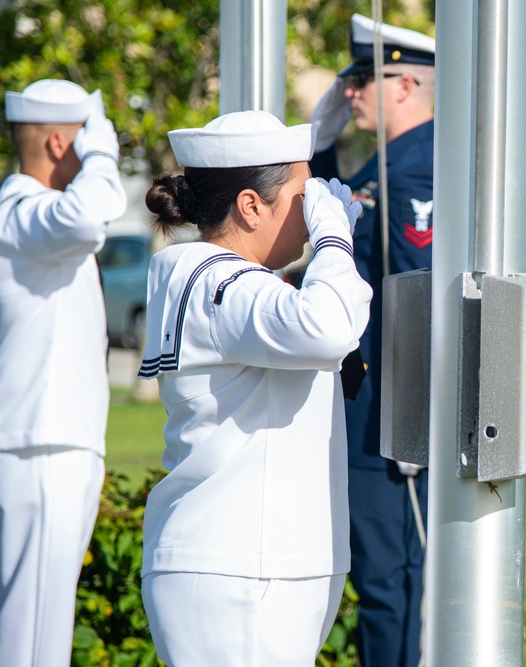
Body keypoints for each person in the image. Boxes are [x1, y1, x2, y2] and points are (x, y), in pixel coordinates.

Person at [137, 110, 372, 666]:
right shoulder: (220, 280)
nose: (315, 207)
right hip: (238, 570)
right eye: (303, 193)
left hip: (258, 564)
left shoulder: (236, 282)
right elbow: (329, 327)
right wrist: (334, 241)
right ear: (250, 206)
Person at [0, 79, 126, 666]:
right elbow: (90, 219)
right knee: (33, 629)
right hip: (42, 444)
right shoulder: (27, 215)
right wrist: (103, 157)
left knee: (33, 620)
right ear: (62, 144)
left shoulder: (33, 220)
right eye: (87, 143)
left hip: (48, 440)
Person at [309, 13, 435, 667]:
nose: (350, 90)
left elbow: (414, 308)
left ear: (406, 86)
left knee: (390, 584)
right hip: (376, 408)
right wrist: (320, 150)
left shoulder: (415, 172)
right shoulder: (392, 164)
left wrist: (410, 430)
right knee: (380, 579)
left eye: (363, 77)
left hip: (390, 416)